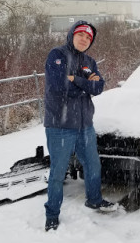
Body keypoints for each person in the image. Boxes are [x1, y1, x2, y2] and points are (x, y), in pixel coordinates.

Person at [43, 20, 115, 231]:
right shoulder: (56, 55)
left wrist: (77, 79)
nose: (84, 39)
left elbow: (99, 87)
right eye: (81, 35)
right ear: (72, 34)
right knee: (58, 172)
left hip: (85, 125)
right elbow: (59, 86)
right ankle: (52, 214)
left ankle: (94, 199)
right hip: (60, 125)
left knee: (93, 165)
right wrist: (86, 84)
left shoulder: (89, 61)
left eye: (88, 38)